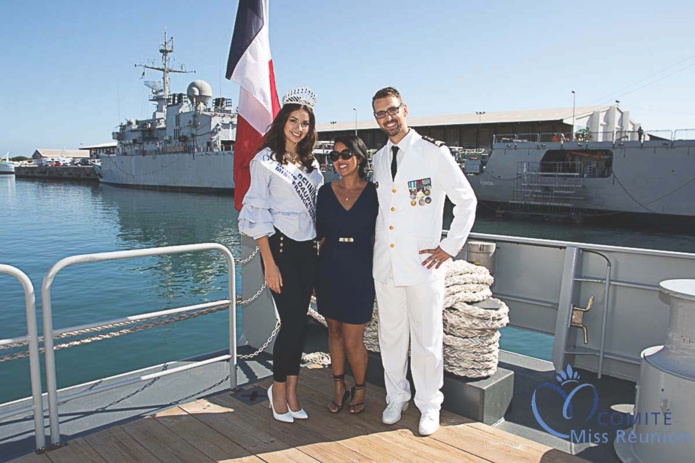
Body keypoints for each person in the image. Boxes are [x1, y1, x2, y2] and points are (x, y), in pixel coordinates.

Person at [370, 87, 477, 436]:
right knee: (391, 337)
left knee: (427, 340)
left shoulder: (433, 153)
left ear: (405, 110)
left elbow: (466, 202)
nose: (388, 118)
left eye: (392, 110)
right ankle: (396, 396)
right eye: (381, 113)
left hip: (423, 265)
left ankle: (429, 404)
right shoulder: (379, 159)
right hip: (386, 265)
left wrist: (450, 247)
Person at [238, 87, 323, 423]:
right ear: (282, 122)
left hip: (307, 250)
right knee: (290, 325)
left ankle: (291, 391)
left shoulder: (311, 163)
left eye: (304, 123)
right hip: (281, 251)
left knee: (298, 326)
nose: (298, 128)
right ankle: (278, 390)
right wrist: (269, 264)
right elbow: (256, 214)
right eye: (293, 120)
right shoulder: (265, 161)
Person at [315, 134, 378, 415]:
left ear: (359, 158)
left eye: (345, 155)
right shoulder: (325, 193)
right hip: (330, 268)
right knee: (334, 331)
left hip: (361, 271)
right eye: (335, 156)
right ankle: (338, 385)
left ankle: (361, 388)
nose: (339, 161)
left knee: (354, 338)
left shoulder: (375, 193)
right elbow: (319, 236)